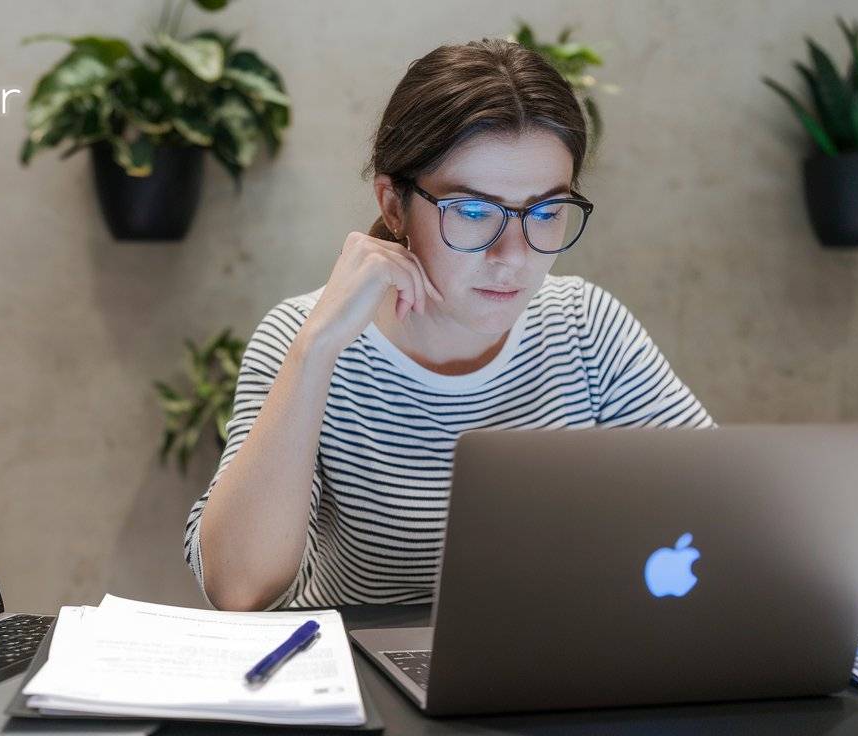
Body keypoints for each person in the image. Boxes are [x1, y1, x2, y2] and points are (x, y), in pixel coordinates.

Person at [185, 38, 714, 612]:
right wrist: (316, 351)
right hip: (360, 684)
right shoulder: (306, 336)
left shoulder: (585, 327)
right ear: (393, 206)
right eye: (473, 211)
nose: (513, 254)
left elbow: (723, 517)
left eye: (546, 212)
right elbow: (237, 588)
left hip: (546, 677)